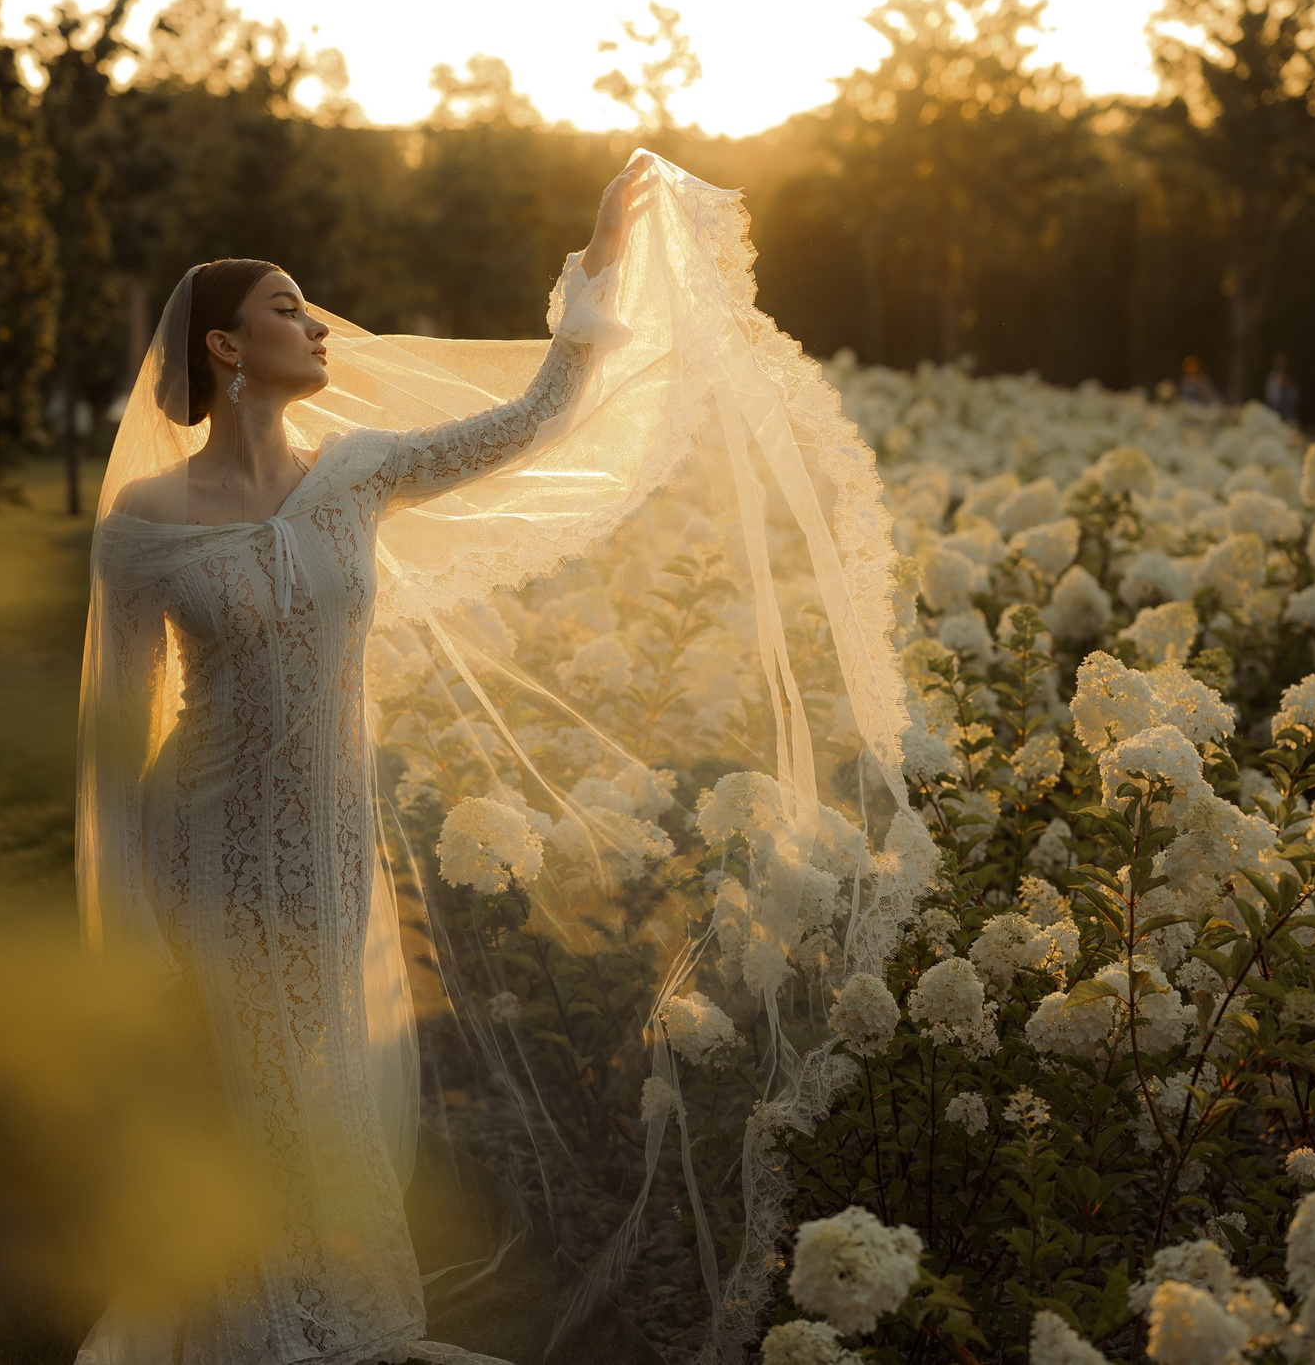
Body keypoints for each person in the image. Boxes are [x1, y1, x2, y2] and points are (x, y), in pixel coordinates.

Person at [74, 154, 921, 1365]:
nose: (316, 326)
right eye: (285, 307)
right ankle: (246, 1327)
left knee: (312, 1073)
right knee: (236, 1081)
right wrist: (134, 920)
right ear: (222, 345)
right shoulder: (143, 523)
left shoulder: (356, 473)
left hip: (319, 833)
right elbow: (119, 725)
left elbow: (531, 423)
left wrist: (597, 270)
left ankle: (320, 1313)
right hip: (200, 841)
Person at [1262, 351, 1300, 425]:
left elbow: (1295, 397)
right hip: (1275, 411)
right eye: (1278, 361)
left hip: (1288, 413)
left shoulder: (1290, 377)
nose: (1280, 363)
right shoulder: (1271, 377)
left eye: (1282, 361)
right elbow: (1270, 397)